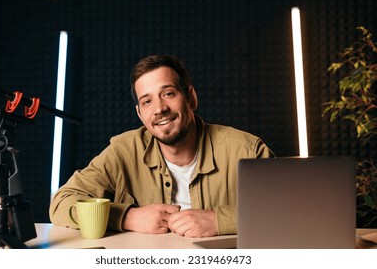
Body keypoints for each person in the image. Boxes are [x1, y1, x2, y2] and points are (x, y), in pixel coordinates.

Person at [49, 55, 274, 238]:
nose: (159, 109)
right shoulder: (123, 151)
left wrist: (218, 220)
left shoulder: (246, 150)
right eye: (147, 101)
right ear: (140, 113)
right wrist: (127, 217)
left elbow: (289, 211)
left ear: (191, 98)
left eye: (168, 94)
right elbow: (60, 203)